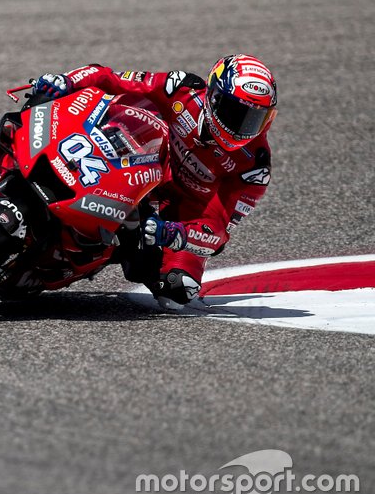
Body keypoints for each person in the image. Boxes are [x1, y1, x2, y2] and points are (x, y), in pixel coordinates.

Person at [33, 55, 278, 309]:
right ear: (213, 96)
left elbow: (216, 232)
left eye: (254, 119)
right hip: (140, 164)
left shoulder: (254, 167)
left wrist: (174, 233)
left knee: (178, 290)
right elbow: (112, 79)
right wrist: (66, 80)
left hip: (180, 215)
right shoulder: (181, 89)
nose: (241, 128)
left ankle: (93, 257)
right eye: (235, 112)